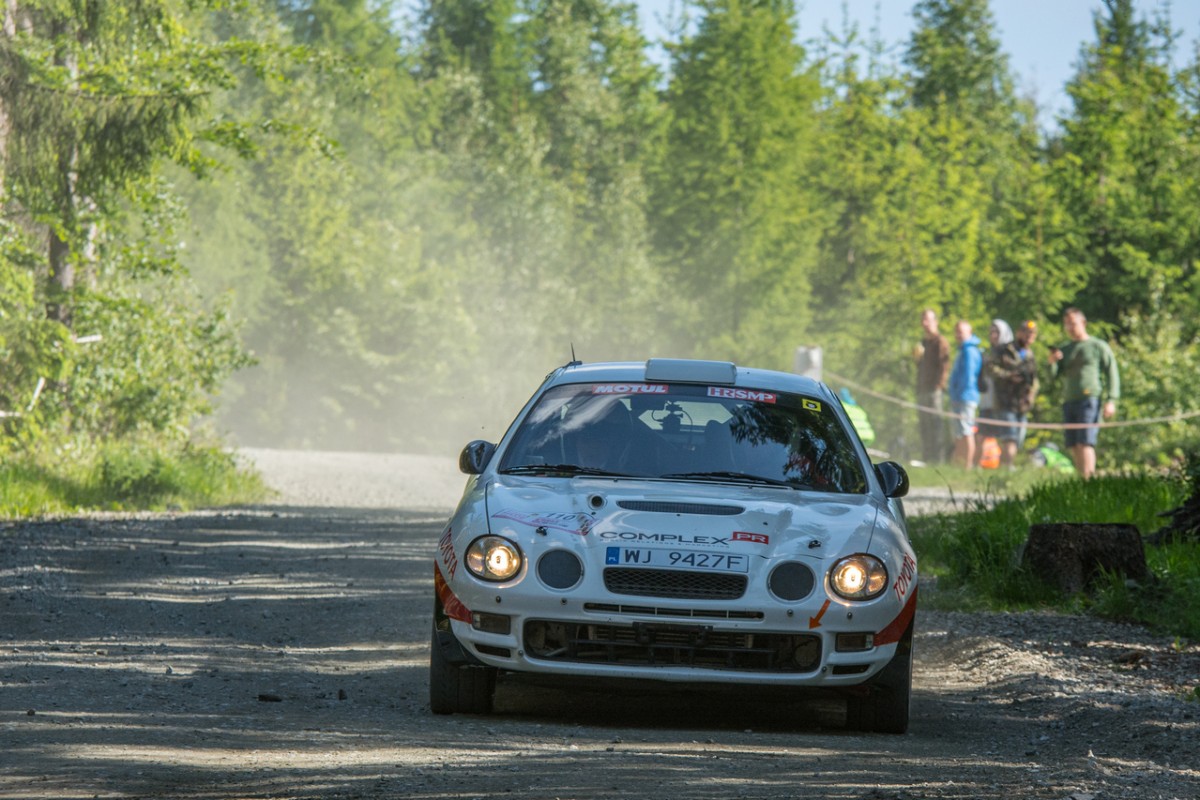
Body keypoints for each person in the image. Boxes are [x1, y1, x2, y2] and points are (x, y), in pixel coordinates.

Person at [1047, 307, 1120, 479]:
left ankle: (1089, 481)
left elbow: (1112, 372)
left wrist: (1112, 400)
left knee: (1085, 442)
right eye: (1067, 324)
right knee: (1073, 444)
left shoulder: (1097, 346)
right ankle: (1082, 482)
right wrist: (1051, 363)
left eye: (1073, 323)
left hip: (1089, 400)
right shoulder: (1065, 349)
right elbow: (1053, 377)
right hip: (1069, 401)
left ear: (1083, 323)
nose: (1070, 328)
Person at [986, 319, 1040, 468]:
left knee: (1018, 439)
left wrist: (1031, 395)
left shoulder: (1030, 354)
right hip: (1005, 400)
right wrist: (1009, 376)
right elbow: (990, 369)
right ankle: (1008, 468)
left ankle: (1004, 467)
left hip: (1023, 403)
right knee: (1010, 437)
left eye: (1032, 334)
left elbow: (1034, 380)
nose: (1029, 336)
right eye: (1026, 333)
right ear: (1018, 333)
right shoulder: (1004, 350)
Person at [913, 308, 950, 464]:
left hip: (934, 390)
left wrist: (938, 387)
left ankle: (938, 460)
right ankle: (927, 458)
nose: (925, 323)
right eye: (923, 320)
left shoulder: (940, 342)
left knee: (936, 425)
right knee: (924, 425)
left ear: (935, 321)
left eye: (928, 319)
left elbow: (945, 366)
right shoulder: (923, 343)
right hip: (922, 389)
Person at [975, 319, 1013, 467]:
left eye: (996, 331)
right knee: (983, 433)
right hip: (987, 399)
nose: (993, 335)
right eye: (991, 332)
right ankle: (977, 465)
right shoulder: (988, 353)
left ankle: (1006, 467)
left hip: (1003, 401)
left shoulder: (1010, 352)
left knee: (1005, 436)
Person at [948, 319, 982, 470]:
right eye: (957, 332)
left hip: (965, 397)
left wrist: (958, 396)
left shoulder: (969, 351)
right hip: (960, 397)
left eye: (961, 331)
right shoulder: (962, 350)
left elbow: (968, 377)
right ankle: (959, 465)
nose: (958, 335)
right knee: (960, 432)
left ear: (969, 332)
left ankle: (967, 466)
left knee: (967, 431)